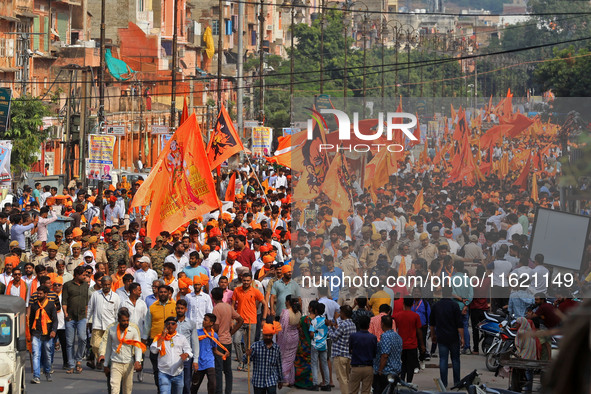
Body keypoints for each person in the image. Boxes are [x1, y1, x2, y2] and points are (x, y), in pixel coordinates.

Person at [100, 308, 145, 394]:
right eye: (123, 321)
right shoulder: (112, 330)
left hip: (129, 364)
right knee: (114, 389)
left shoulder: (133, 330)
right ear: (119, 320)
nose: (126, 323)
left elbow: (137, 347)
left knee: (127, 390)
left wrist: (138, 361)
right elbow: (108, 348)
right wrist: (105, 365)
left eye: (127, 320)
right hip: (115, 364)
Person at [143, 285, 177, 392]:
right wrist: (144, 339)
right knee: (157, 369)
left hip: (170, 341)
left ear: (168, 293)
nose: (162, 294)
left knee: (170, 366)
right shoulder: (152, 307)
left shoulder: (175, 305)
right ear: (158, 293)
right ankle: (160, 388)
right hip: (155, 341)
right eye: (161, 292)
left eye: (164, 292)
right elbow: (147, 325)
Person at [429, 285, 464, 388]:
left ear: (442, 293)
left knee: (443, 359)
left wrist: (433, 335)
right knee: (455, 360)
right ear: (451, 293)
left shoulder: (436, 306)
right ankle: (457, 382)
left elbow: (432, 324)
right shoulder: (455, 306)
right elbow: (459, 324)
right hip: (453, 337)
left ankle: (444, 384)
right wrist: (462, 338)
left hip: (441, 337)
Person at [231, 271, 266, 371]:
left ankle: (247, 363)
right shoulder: (237, 290)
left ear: (251, 281)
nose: (246, 282)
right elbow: (233, 305)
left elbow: (264, 303)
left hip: (252, 321)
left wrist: (263, 318)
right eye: (244, 280)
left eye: (248, 281)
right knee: (236, 341)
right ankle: (241, 360)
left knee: (249, 345)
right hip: (240, 321)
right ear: (241, 280)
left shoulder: (255, 291)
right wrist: (232, 318)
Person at [212, 286, 243, 394]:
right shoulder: (228, 306)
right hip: (228, 341)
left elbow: (216, 327)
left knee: (218, 369)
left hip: (219, 342)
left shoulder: (216, 308)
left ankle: (219, 391)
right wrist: (231, 332)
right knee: (228, 370)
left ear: (213, 297)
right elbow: (240, 320)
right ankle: (228, 391)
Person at [150, 316, 192, 394]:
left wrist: (186, 354)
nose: (170, 325)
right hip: (164, 373)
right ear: (165, 325)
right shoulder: (159, 337)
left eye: (173, 323)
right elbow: (154, 350)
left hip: (178, 373)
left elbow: (188, 350)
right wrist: (162, 336)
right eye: (168, 324)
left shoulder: (181, 338)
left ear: (176, 326)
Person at [87, 275, 120, 370]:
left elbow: (117, 312)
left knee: (108, 346)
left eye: (108, 284)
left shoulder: (115, 297)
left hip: (110, 326)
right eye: (104, 284)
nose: (106, 286)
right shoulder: (95, 295)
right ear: (101, 284)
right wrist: (87, 320)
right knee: (95, 345)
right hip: (97, 324)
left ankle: (105, 362)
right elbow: (90, 308)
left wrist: (118, 326)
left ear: (111, 284)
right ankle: (100, 359)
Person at [62, 265, 90, 374]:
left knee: (83, 338)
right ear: (77, 275)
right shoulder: (67, 285)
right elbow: (64, 301)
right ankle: (71, 365)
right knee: (70, 342)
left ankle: (78, 360)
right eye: (83, 275)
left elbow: (86, 302)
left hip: (82, 317)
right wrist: (65, 314)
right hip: (70, 317)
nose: (85, 276)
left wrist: (87, 316)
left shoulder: (85, 286)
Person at [193, 313, 230, 394]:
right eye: (204, 319)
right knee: (194, 386)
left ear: (211, 323)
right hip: (199, 362)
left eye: (205, 320)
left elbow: (215, 350)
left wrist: (223, 355)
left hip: (209, 362)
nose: (203, 321)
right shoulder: (197, 333)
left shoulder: (214, 335)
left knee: (212, 384)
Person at [29, 285, 58, 384]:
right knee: (36, 354)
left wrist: (54, 331)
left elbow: (55, 320)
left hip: (48, 335)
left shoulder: (51, 305)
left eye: (40, 293)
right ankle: (36, 376)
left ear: (46, 294)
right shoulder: (34, 306)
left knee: (47, 354)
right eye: (38, 293)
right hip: (36, 333)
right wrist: (30, 334)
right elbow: (31, 319)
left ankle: (47, 371)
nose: (38, 295)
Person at [246, 321, 284, 394]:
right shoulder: (255, 346)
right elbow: (245, 361)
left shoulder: (276, 348)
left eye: (270, 335)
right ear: (263, 335)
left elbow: (279, 365)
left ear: (272, 335)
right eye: (266, 335)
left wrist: (280, 380)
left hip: (271, 381)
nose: (268, 337)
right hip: (258, 382)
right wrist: (247, 354)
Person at [393, 297, 425, 383]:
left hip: (401, 345)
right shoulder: (415, 316)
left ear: (403, 303)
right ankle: (409, 382)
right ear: (412, 304)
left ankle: (402, 380)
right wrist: (422, 345)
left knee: (403, 364)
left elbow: (395, 329)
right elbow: (419, 331)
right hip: (412, 345)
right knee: (410, 365)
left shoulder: (397, 315)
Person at [328, 305, 356, 394]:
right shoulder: (353, 324)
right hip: (348, 355)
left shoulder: (343, 324)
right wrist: (332, 326)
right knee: (347, 378)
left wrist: (329, 327)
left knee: (342, 379)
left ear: (343, 313)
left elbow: (333, 337)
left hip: (340, 355)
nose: (339, 314)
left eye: (340, 312)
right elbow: (338, 334)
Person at [372, 315, 403, 394]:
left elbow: (385, 355)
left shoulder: (386, 337)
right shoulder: (398, 336)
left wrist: (380, 370)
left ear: (382, 324)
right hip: (395, 370)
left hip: (386, 372)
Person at [174, 300, 200, 394]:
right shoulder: (171, 323)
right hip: (173, 357)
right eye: (178, 308)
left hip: (187, 357)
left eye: (182, 308)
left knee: (186, 383)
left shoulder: (191, 324)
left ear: (186, 309)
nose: (180, 310)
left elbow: (195, 342)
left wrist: (196, 360)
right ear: (175, 309)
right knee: (175, 383)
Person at [277, 295, 302, 387]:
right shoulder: (298, 312)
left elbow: (283, 327)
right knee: (291, 358)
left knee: (284, 358)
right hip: (295, 336)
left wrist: (279, 339)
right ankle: (291, 378)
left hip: (286, 337)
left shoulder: (287, 313)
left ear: (288, 302)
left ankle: (284, 378)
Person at [348, 315, 377, 394]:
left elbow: (350, 350)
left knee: (353, 391)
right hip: (368, 367)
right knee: (366, 391)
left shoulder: (353, 336)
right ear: (368, 324)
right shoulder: (373, 337)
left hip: (356, 367)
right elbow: (374, 353)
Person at [309, 301, 330, 391]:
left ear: (316, 310)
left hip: (315, 344)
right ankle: (327, 384)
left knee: (314, 364)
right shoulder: (326, 321)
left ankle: (315, 384)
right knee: (324, 364)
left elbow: (311, 334)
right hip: (324, 344)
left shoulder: (314, 321)